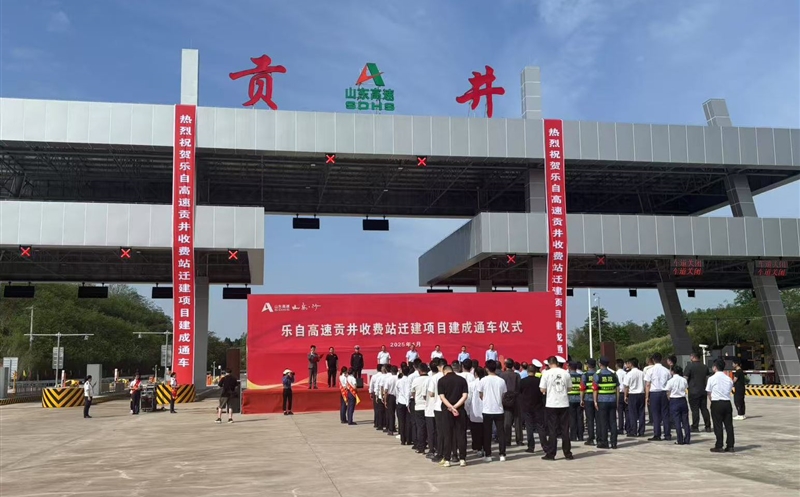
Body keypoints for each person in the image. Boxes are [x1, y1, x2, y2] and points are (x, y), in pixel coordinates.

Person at [540, 356, 573, 461]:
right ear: (557, 363)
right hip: (564, 403)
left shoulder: (546, 373)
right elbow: (570, 388)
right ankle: (568, 453)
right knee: (565, 429)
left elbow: (542, 389)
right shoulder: (565, 373)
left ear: (549, 364)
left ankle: (551, 454)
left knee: (552, 429)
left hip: (551, 404)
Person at [437, 365, 469, 467]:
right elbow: (465, 396)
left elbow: (442, 397)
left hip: (447, 410)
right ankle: (462, 459)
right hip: (460, 410)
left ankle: (447, 459)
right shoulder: (462, 380)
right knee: (461, 434)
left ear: (444, 371)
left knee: (447, 435)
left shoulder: (441, 380)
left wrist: (451, 407)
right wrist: (455, 407)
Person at [478, 359, 507, 462]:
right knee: (501, 433)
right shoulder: (501, 381)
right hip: (499, 409)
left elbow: (480, 394)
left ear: (486, 369)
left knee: (487, 433)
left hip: (487, 410)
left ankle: (488, 455)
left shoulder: (483, 380)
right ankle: (502, 454)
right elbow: (503, 395)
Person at [707, 359, 735, 453]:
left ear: (715, 367)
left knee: (718, 425)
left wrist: (712, 401)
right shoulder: (728, 379)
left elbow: (709, 393)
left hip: (716, 402)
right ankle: (730, 445)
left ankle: (719, 445)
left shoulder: (711, 378)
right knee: (729, 425)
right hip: (727, 402)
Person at [593, 357, 619, 449]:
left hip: (602, 401)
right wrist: (617, 401)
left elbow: (595, 390)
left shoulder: (597, 375)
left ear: (600, 364)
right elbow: (617, 389)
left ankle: (604, 442)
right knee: (613, 422)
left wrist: (595, 401)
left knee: (603, 422)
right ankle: (614, 443)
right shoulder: (613, 374)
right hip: (612, 400)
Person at [519, 362, 546, 453]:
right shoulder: (539, 381)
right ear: (535, 371)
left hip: (526, 406)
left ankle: (531, 447)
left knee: (529, 427)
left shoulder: (523, 381)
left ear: (527, 371)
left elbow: (520, 392)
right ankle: (545, 446)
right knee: (540, 426)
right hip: (538, 406)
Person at [645, 352, 672, 441]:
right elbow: (669, 384)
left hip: (654, 393)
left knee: (656, 414)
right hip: (664, 393)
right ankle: (667, 434)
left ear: (653, 360)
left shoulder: (650, 370)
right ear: (661, 359)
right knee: (665, 414)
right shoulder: (666, 370)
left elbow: (648, 384)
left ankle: (657, 434)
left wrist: (647, 396)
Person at [684, 352, 712, 432]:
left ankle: (695, 426)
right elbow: (707, 379)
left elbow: (685, 378)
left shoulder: (689, 366)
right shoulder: (705, 367)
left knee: (695, 409)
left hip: (693, 391)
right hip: (703, 390)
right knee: (704, 408)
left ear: (693, 357)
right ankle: (708, 426)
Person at [500, 358, 522, 447]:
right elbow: (519, 387)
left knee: (507, 420)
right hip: (516, 398)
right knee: (517, 420)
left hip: (506, 399)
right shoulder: (517, 375)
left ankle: (507, 440)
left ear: (505, 365)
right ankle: (519, 440)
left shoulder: (502, 375)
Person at [666, 365, 690, 445]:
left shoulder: (670, 381)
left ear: (672, 371)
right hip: (682, 399)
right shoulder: (684, 380)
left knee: (677, 421)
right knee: (685, 421)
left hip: (674, 400)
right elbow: (686, 388)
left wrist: (669, 398)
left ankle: (680, 439)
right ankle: (687, 439)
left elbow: (668, 391)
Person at [428, 359, 446, 462]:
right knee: (449, 431)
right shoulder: (450, 376)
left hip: (438, 407)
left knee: (440, 432)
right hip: (450, 406)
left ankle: (440, 453)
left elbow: (431, 394)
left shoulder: (434, 377)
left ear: (439, 366)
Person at [623, 358, 646, 437]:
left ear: (631, 364)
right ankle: (641, 431)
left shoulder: (629, 374)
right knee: (641, 413)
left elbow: (626, 386)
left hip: (632, 394)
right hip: (641, 394)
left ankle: (633, 431)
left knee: (632, 413)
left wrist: (625, 395)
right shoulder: (642, 373)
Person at [412, 363, 430, 454]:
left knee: (420, 428)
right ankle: (432, 446)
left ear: (419, 371)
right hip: (429, 406)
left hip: (419, 406)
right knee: (430, 428)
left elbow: (413, 392)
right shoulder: (430, 379)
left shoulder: (416, 380)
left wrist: (416, 399)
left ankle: (421, 447)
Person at [468, 366, 486, 457]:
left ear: (475, 374)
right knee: (484, 431)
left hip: (474, 411)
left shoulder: (472, 384)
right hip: (485, 410)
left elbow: (468, 398)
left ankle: (476, 447)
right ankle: (484, 447)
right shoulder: (485, 382)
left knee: (475, 431)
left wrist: (467, 410)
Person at [581, 358, 598, 446]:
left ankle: (591, 438)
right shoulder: (598, 374)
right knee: (598, 419)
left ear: (588, 365)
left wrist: (581, 399)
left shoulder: (585, 375)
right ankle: (599, 437)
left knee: (590, 420)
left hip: (588, 399)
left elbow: (582, 388)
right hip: (598, 399)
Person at [567, 362, 584, 441]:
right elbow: (582, 387)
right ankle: (580, 436)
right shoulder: (580, 376)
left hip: (570, 399)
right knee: (580, 418)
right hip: (579, 399)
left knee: (572, 418)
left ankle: (573, 436)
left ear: (569, 367)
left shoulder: (568, 376)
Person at [396, 365, 412, 445]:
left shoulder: (399, 381)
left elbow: (397, 392)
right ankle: (408, 439)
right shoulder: (409, 381)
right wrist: (407, 402)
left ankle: (403, 440)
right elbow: (408, 392)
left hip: (400, 402)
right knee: (408, 422)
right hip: (407, 402)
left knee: (401, 422)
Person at [383, 365, 399, 436]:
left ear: (391, 371)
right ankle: (400, 429)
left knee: (391, 414)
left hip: (391, 397)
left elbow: (386, 390)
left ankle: (391, 429)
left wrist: (385, 400)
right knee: (398, 414)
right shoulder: (399, 378)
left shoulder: (389, 379)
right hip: (398, 396)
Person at [615, 359, 629, 435]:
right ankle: (628, 427)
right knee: (627, 411)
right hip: (626, 393)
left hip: (619, 393)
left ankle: (620, 428)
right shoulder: (626, 373)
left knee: (620, 412)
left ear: (616, 365)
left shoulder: (615, 374)